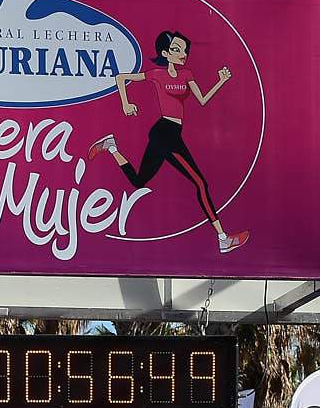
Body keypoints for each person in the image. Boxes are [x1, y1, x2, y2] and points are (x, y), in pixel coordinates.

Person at [91, 31, 249, 255]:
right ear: (165, 53)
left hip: (172, 133)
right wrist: (126, 103)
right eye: (176, 49)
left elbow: (202, 100)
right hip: (164, 133)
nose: (182, 54)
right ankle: (223, 238)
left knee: (138, 181)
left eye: (184, 49)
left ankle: (111, 147)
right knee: (201, 183)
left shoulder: (187, 74)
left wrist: (221, 81)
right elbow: (121, 78)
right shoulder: (156, 74)